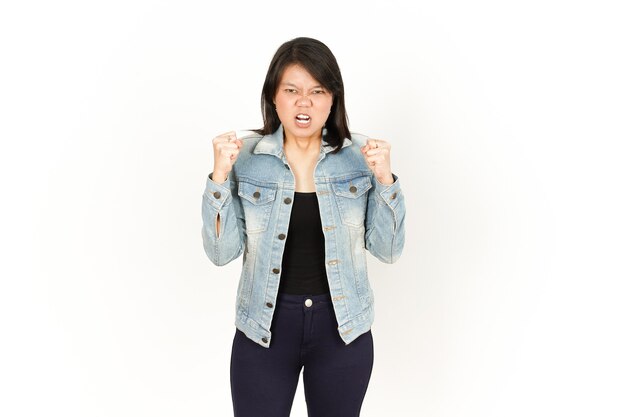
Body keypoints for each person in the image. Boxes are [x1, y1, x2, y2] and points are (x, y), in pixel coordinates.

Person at [201, 37, 406, 417]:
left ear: (333, 99)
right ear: (274, 97)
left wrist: (386, 182)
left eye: (317, 91)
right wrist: (218, 178)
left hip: (342, 330)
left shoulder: (362, 157)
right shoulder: (244, 158)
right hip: (263, 329)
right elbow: (220, 253)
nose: (304, 102)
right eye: (292, 90)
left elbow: (389, 250)